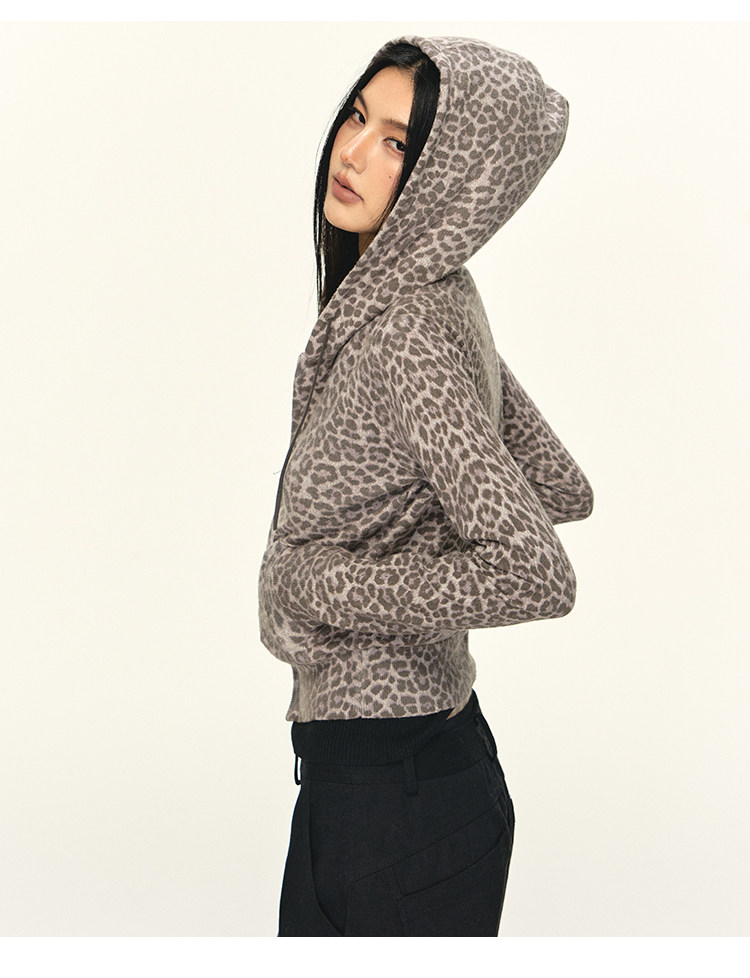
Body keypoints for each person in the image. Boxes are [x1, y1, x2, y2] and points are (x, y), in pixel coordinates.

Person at [257, 34, 594, 937]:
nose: (353, 152)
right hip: (401, 783)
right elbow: (562, 484)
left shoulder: (407, 329)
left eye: (398, 142)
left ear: (448, 176)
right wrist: (422, 512)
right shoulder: (438, 296)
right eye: (357, 118)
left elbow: (536, 570)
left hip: (393, 807)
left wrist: (319, 583)